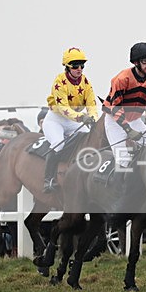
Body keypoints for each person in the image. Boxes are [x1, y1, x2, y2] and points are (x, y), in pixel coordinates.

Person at [41, 47, 98, 192]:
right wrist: (81, 117)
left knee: (88, 138)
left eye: (82, 66)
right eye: (75, 66)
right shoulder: (59, 81)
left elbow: (92, 104)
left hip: (74, 121)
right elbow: (63, 108)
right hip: (56, 120)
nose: (79, 69)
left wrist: (93, 118)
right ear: (67, 67)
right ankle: (48, 180)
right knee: (58, 144)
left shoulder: (85, 82)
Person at [102, 42, 146, 173]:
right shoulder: (122, 79)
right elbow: (116, 109)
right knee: (124, 160)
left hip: (135, 119)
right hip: (115, 120)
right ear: (136, 62)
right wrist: (128, 130)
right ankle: (119, 192)